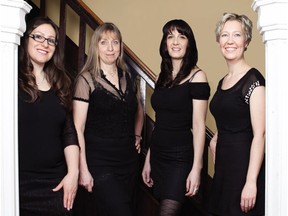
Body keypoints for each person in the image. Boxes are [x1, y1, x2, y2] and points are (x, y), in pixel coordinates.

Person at [72, 22, 144, 216]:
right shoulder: (85, 80)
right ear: (96, 46)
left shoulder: (128, 76)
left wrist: (137, 135)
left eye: (115, 42)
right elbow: (77, 128)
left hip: (128, 162)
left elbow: (138, 110)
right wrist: (83, 168)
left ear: (120, 46)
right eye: (104, 42)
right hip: (99, 161)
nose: (110, 48)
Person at [142, 19, 210, 216]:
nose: (175, 41)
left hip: (180, 157)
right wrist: (149, 159)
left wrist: (196, 168)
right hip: (158, 154)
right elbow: (159, 122)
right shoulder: (161, 77)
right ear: (165, 43)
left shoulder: (198, 77)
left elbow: (198, 126)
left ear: (189, 43)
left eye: (182, 36)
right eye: (170, 36)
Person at [18, 16, 80, 216]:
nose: (45, 44)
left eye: (51, 40)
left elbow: (68, 132)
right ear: (26, 39)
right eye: (38, 37)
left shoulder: (61, 83)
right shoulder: (10, 78)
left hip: (55, 183)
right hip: (17, 180)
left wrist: (73, 173)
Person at [208, 13, 265, 216]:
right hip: (224, 170)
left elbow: (260, 134)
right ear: (218, 41)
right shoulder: (223, 80)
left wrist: (251, 183)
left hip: (244, 170)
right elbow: (230, 115)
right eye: (224, 35)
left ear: (246, 41)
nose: (230, 41)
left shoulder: (253, 80)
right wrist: (215, 138)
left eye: (237, 35)